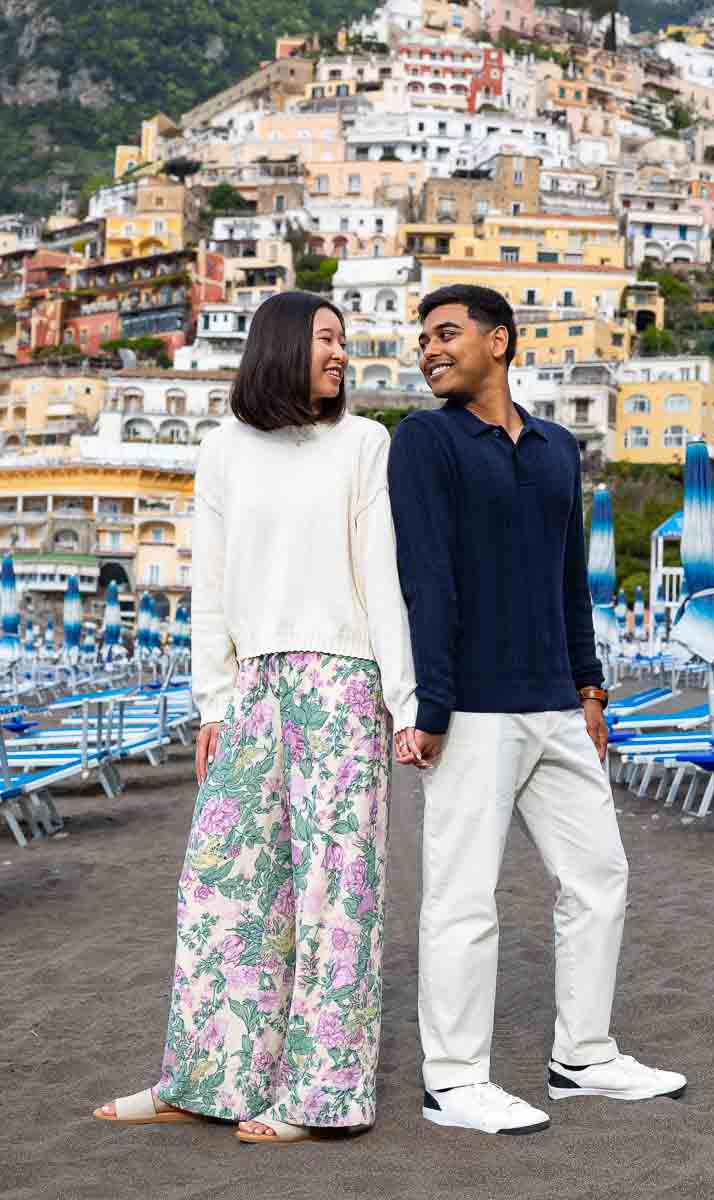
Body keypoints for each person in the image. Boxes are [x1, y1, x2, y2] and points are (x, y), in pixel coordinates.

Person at [95, 291, 423, 1144]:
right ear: (281, 345)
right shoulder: (223, 450)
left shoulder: (363, 443)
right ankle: (202, 1079)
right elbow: (214, 583)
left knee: (335, 895)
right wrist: (214, 698)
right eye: (326, 340)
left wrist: (404, 701)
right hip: (250, 689)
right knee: (219, 890)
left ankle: (322, 1100)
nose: (341, 354)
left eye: (344, 342)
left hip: (342, 681)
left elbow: (382, 575)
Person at [387, 284, 687, 1137]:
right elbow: (427, 577)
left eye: (446, 334)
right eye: (423, 339)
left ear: (500, 343)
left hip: (557, 705)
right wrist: (432, 704)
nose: (429, 350)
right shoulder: (423, 441)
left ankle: (582, 1058)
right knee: (461, 896)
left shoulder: (558, 449)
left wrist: (591, 690)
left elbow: (570, 581)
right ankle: (453, 1082)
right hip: (471, 710)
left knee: (599, 877)